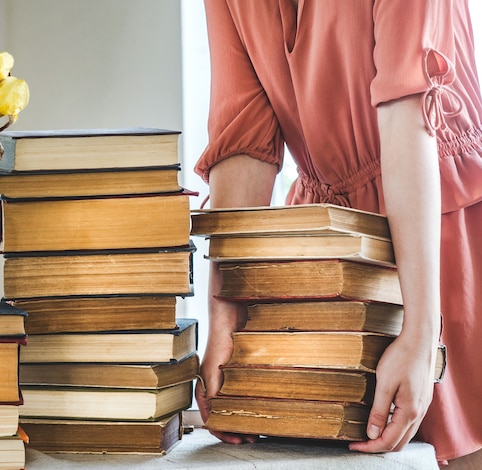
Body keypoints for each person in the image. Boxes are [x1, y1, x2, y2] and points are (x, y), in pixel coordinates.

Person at [193, 1, 482, 467]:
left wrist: (423, 332)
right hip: (328, 258)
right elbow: (243, 137)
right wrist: (225, 316)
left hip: (439, 225)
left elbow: (407, 111)